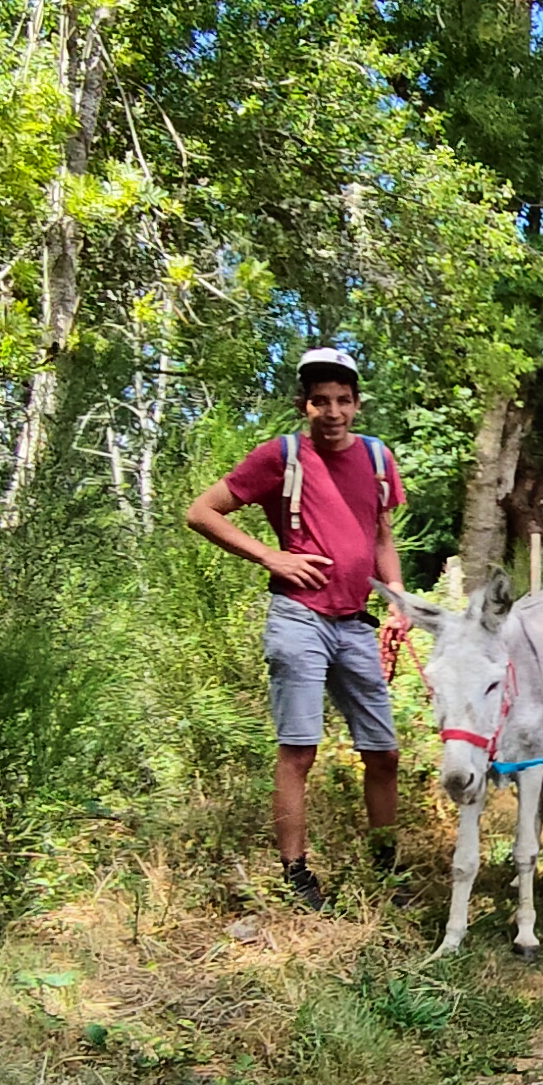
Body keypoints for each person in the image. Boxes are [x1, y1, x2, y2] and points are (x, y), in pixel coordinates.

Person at [183, 347, 414, 910]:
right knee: (299, 751)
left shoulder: (379, 459)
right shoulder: (281, 456)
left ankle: (386, 870)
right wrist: (271, 556)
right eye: (320, 401)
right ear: (303, 405)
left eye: (342, 400)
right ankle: (296, 877)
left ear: (357, 405)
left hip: (356, 621)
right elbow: (201, 511)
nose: (332, 411)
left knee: (383, 752)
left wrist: (399, 601)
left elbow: (381, 534)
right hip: (298, 617)